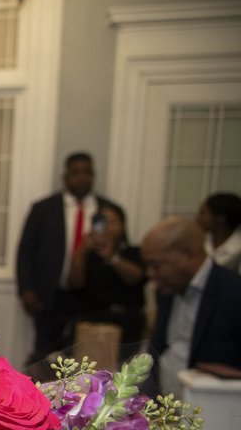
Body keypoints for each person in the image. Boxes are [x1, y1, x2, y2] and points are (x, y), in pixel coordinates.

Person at [16, 152, 118, 365]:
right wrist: (26, 289)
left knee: (86, 358)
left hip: (91, 298)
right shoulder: (44, 209)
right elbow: (25, 252)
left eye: (87, 173)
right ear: (65, 177)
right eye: (76, 173)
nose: (82, 178)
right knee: (45, 355)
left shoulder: (107, 210)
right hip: (51, 295)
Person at [142, 216, 241, 396]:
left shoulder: (232, 292)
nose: (150, 274)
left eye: (156, 265)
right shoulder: (167, 290)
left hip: (213, 410)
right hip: (165, 409)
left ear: (190, 255)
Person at [66, 201, 146, 356]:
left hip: (127, 324)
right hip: (93, 323)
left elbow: (136, 278)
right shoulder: (89, 256)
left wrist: (112, 258)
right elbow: (75, 283)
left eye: (114, 222)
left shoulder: (133, 252)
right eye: (104, 221)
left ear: (122, 226)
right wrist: (81, 252)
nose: (108, 227)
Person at [197, 192, 241, 274]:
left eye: (203, 213)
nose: (198, 218)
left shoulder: (238, 249)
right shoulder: (199, 240)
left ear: (221, 218)